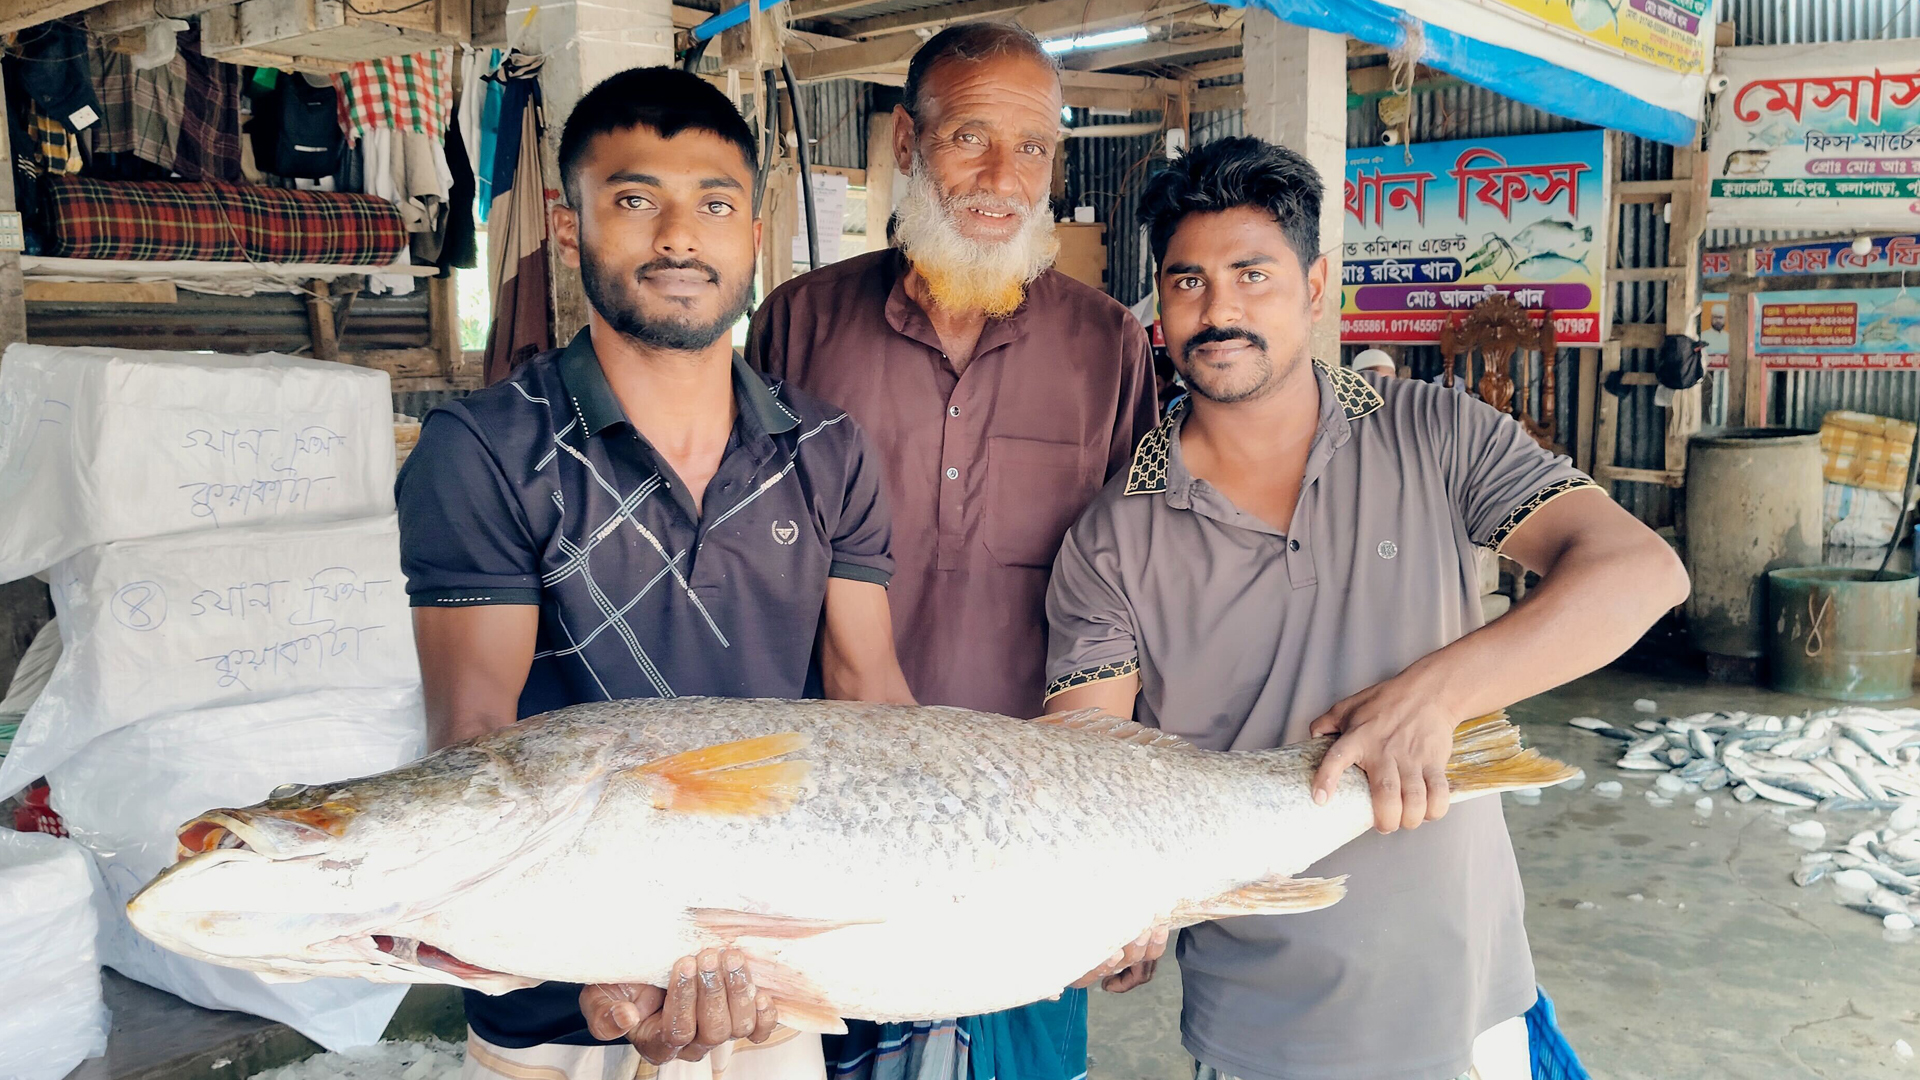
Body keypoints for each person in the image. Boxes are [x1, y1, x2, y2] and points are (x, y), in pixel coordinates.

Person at [1043, 136, 1689, 1080]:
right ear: (1159, 308)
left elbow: (1639, 571)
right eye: (1187, 283)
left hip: (1476, 1002)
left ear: (1314, 287)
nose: (1219, 309)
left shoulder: (1430, 430)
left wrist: (1435, 695)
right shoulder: (1110, 536)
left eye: (1251, 274)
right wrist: (1111, 904)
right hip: (1268, 1030)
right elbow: (1090, 776)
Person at [396, 66, 914, 1080]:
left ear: (753, 226)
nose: (680, 237)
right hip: (557, 1000)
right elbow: (474, 750)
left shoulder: (827, 449)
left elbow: (874, 707)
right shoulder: (488, 450)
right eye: (636, 200)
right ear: (571, 217)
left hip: (766, 972)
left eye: (713, 203)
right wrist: (596, 966)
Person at [748, 22, 1159, 1080]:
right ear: (905, 141)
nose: (1001, 178)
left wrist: (1142, 859)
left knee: (1025, 1059)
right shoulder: (801, 324)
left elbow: (1149, 591)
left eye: (1032, 148)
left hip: (1037, 822)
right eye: (971, 136)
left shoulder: (1109, 344)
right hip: (831, 807)